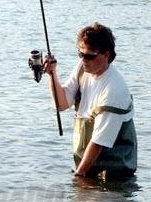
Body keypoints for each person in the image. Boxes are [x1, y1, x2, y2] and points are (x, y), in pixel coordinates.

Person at [44, 22, 137, 179]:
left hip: (113, 179)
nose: (84, 60)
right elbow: (62, 104)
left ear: (106, 55)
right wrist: (52, 74)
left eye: (89, 56)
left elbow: (98, 143)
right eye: (80, 54)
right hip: (89, 168)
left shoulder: (114, 90)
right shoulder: (83, 68)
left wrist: (78, 176)